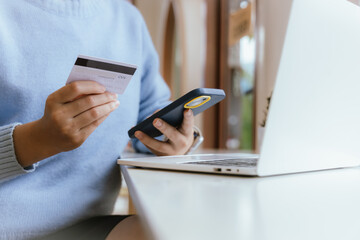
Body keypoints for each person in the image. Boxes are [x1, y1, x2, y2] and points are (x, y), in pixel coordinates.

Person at [0, 0, 197, 239]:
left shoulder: (128, 19)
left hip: (89, 224)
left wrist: (173, 136)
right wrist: (38, 139)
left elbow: (151, 108)